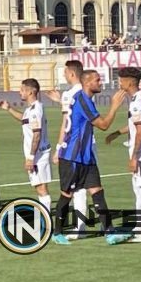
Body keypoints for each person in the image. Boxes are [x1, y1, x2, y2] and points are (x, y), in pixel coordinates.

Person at [51, 70, 131, 246]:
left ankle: (109, 232)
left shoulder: (83, 99)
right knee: (66, 194)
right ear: (87, 83)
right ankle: (57, 232)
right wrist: (114, 106)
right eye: (97, 80)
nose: (100, 82)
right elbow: (103, 125)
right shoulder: (82, 100)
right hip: (72, 157)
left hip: (86, 156)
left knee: (97, 192)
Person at [106, 67, 141, 242]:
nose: (119, 83)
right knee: (138, 189)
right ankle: (139, 226)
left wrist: (134, 156)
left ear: (129, 82)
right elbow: (136, 125)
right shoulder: (138, 99)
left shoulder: (137, 102)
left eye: (121, 80)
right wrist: (117, 133)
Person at [45, 59, 90, 239]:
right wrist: (60, 101)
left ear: (71, 74)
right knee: (82, 188)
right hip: (87, 145)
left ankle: (60, 229)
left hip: (72, 147)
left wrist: (58, 148)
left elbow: (66, 122)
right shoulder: (85, 91)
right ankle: (81, 226)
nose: (63, 75)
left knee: (69, 189)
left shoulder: (70, 93)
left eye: (65, 72)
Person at [0, 78, 53, 213]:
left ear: (30, 92)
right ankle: (46, 216)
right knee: (39, 186)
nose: (19, 92)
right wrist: (9, 109)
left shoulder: (35, 110)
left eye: (22, 90)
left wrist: (31, 157)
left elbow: (37, 135)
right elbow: (24, 119)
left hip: (38, 154)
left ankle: (46, 219)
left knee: (41, 187)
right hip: (38, 153)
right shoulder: (32, 109)